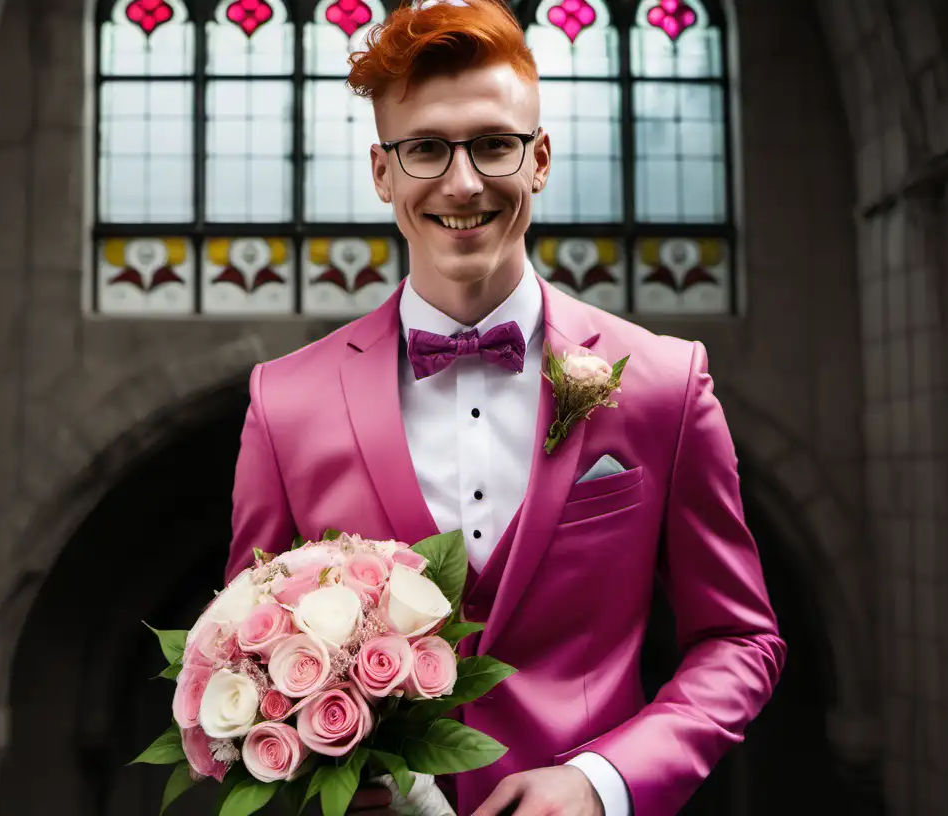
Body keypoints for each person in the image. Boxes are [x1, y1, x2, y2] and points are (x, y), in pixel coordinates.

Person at [223, 2, 785, 814]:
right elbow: (243, 656)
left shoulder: (666, 382)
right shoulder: (284, 404)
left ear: (540, 158)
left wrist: (603, 783)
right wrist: (330, 780)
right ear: (383, 171)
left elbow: (740, 640)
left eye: (494, 144)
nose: (462, 182)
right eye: (425, 149)